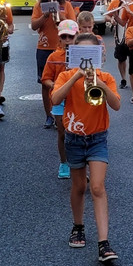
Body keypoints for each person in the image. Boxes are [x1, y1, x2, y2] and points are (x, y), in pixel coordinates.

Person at [51, 31, 121, 264]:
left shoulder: (106, 77)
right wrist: (75, 77)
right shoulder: (66, 75)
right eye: (82, 54)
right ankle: (78, 225)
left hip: (97, 138)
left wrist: (98, 82)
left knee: (98, 187)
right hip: (74, 138)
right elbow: (55, 99)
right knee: (79, 186)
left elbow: (117, 105)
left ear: (99, 55)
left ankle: (104, 243)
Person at [30, 0, 76, 128]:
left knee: (66, 81)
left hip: (65, 48)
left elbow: (73, 25)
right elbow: (34, 26)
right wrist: (45, 15)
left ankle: (63, 113)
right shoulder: (39, 5)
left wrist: (58, 13)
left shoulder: (66, 5)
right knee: (45, 83)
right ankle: (48, 115)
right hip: (45, 48)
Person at [42, 19, 79, 178]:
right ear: (59, 38)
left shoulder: (83, 54)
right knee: (62, 132)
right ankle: (64, 163)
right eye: (64, 37)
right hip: (60, 98)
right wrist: (55, 85)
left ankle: (78, 163)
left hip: (78, 98)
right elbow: (45, 79)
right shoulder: (54, 56)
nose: (67, 40)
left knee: (79, 131)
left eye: (71, 37)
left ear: (77, 36)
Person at [107, 0, 133, 89]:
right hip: (120, 34)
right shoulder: (116, 2)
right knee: (121, 58)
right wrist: (111, 20)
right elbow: (108, 15)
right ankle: (123, 78)